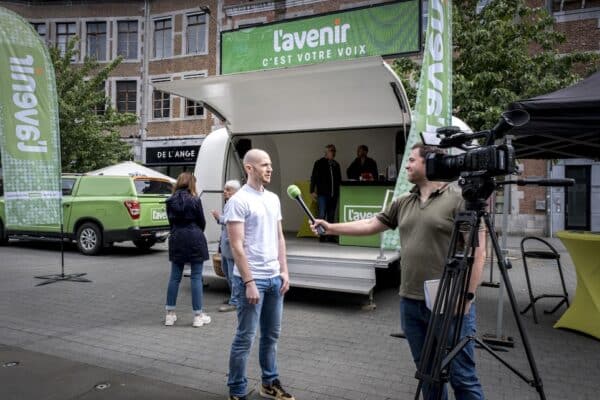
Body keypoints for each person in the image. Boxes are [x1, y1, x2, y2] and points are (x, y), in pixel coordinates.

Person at [311, 143, 486, 400]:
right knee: (428, 374)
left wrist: (467, 298)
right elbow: (371, 223)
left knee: (463, 377)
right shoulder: (404, 200)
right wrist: (331, 227)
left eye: (412, 160)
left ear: (430, 164)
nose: (406, 165)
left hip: (449, 304)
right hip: (411, 302)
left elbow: (478, 252)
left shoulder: (460, 200)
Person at [225, 149, 294, 400]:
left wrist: (284, 270)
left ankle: (269, 383)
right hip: (251, 280)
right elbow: (236, 246)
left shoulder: (273, 199)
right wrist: (249, 281)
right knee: (245, 337)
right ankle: (237, 390)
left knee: (271, 336)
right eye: (264, 165)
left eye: (271, 164)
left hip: (274, 278)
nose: (270, 169)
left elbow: (279, 237)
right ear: (249, 168)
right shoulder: (239, 200)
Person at [164, 172, 211, 328]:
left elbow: (171, 223)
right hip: (194, 237)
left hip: (177, 238)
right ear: (192, 183)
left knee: (174, 277)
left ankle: (170, 315)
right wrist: (196, 232)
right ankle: (198, 316)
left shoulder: (170, 201)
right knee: (196, 277)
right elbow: (202, 222)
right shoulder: (195, 200)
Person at [210, 179, 241, 313]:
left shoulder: (236, 203)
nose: (225, 192)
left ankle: (235, 301)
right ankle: (233, 298)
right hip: (226, 245)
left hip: (231, 245)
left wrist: (219, 217)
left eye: (228, 189)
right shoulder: (230, 203)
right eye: (225, 189)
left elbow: (231, 222)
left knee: (233, 275)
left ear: (236, 192)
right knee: (227, 272)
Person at [310, 144, 341, 242]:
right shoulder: (319, 163)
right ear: (326, 152)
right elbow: (313, 177)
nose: (333, 152)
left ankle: (331, 236)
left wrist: (338, 192)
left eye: (334, 151)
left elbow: (339, 179)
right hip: (322, 194)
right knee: (322, 214)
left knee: (331, 216)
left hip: (333, 194)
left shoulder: (336, 164)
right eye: (331, 151)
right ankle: (322, 235)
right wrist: (312, 191)